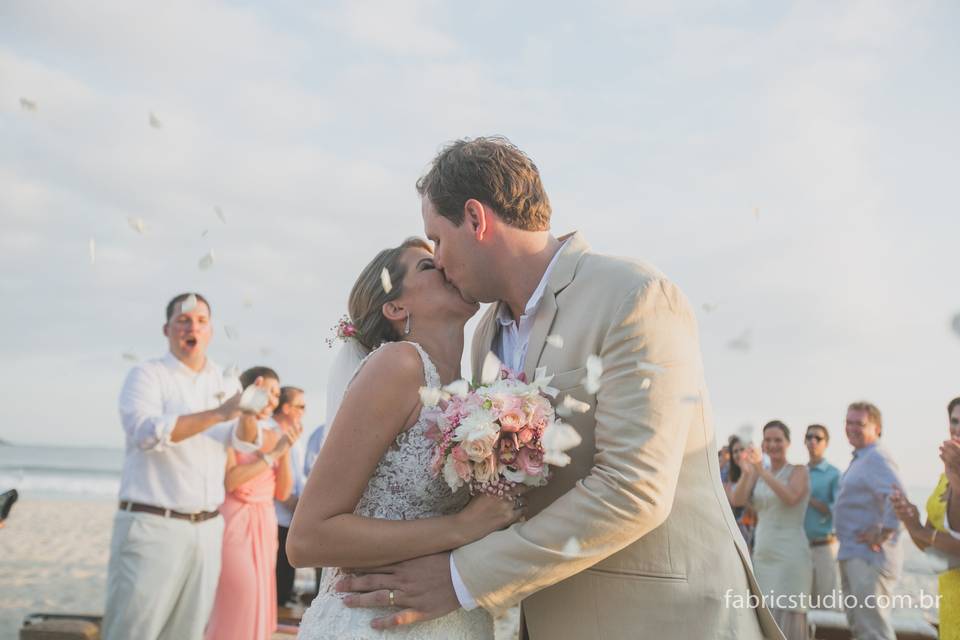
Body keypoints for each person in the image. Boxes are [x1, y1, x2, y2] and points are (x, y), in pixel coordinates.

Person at [334, 136, 782, 638]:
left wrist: (461, 578)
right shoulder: (483, 336)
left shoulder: (633, 296)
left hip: (660, 618)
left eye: (437, 237)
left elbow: (634, 489)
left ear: (477, 220)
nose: (437, 259)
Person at [289, 238, 525, 638]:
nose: (447, 264)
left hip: (452, 618)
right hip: (375, 624)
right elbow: (307, 539)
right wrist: (462, 527)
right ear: (396, 308)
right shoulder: (398, 366)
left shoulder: (473, 397)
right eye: (428, 267)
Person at [102, 293, 264, 640]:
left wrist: (248, 412)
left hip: (207, 529)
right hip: (153, 526)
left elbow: (244, 441)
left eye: (201, 321)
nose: (193, 327)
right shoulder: (146, 375)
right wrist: (220, 413)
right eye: (184, 320)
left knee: (188, 633)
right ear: (167, 329)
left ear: (211, 331)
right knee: (133, 631)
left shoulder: (224, 380)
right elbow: (145, 432)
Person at [206, 367, 301, 640]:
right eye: (266, 392)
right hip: (233, 520)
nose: (272, 399)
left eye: (275, 393)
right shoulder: (230, 431)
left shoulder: (274, 434)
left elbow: (282, 492)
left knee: (259, 593)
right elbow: (231, 481)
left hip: (264, 521)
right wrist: (273, 454)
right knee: (238, 593)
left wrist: (284, 452)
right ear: (249, 393)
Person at [731, 421, 811, 640]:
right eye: (768, 440)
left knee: (787, 621)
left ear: (788, 443)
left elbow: (791, 497)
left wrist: (762, 472)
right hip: (763, 555)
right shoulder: (757, 473)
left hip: (790, 556)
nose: (773, 444)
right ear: (762, 444)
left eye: (778, 440)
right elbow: (737, 500)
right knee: (762, 619)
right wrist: (748, 473)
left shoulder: (799, 471)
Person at [890, 397, 960, 640]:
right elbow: (930, 548)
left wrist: (922, 531)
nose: (958, 428)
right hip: (950, 595)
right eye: (954, 421)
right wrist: (911, 523)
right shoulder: (944, 478)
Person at [833, 401, 904, 640]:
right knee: (861, 628)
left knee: (873, 631)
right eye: (848, 422)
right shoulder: (861, 458)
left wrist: (884, 532)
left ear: (877, 428)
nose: (852, 428)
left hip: (869, 557)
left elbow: (899, 497)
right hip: (853, 553)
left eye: (859, 424)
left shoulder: (876, 458)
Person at [273, 386, 309, 608]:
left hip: (290, 517)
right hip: (277, 516)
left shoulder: (294, 436)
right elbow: (276, 482)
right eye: (301, 406)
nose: (304, 411)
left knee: (285, 583)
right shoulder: (272, 432)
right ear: (286, 408)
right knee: (277, 584)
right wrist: (296, 505)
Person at [803, 424, 841, 608]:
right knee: (801, 606)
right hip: (801, 548)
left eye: (818, 438)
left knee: (826, 605)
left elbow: (838, 510)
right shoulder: (799, 472)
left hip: (824, 547)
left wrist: (807, 497)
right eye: (809, 437)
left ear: (826, 443)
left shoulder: (834, 474)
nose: (813, 441)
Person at [725, 435, 757, 550]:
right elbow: (734, 501)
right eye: (735, 451)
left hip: (756, 531)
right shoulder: (730, 478)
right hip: (738, 533)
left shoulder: (760, 472)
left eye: (742, 449)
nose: (738, 454)